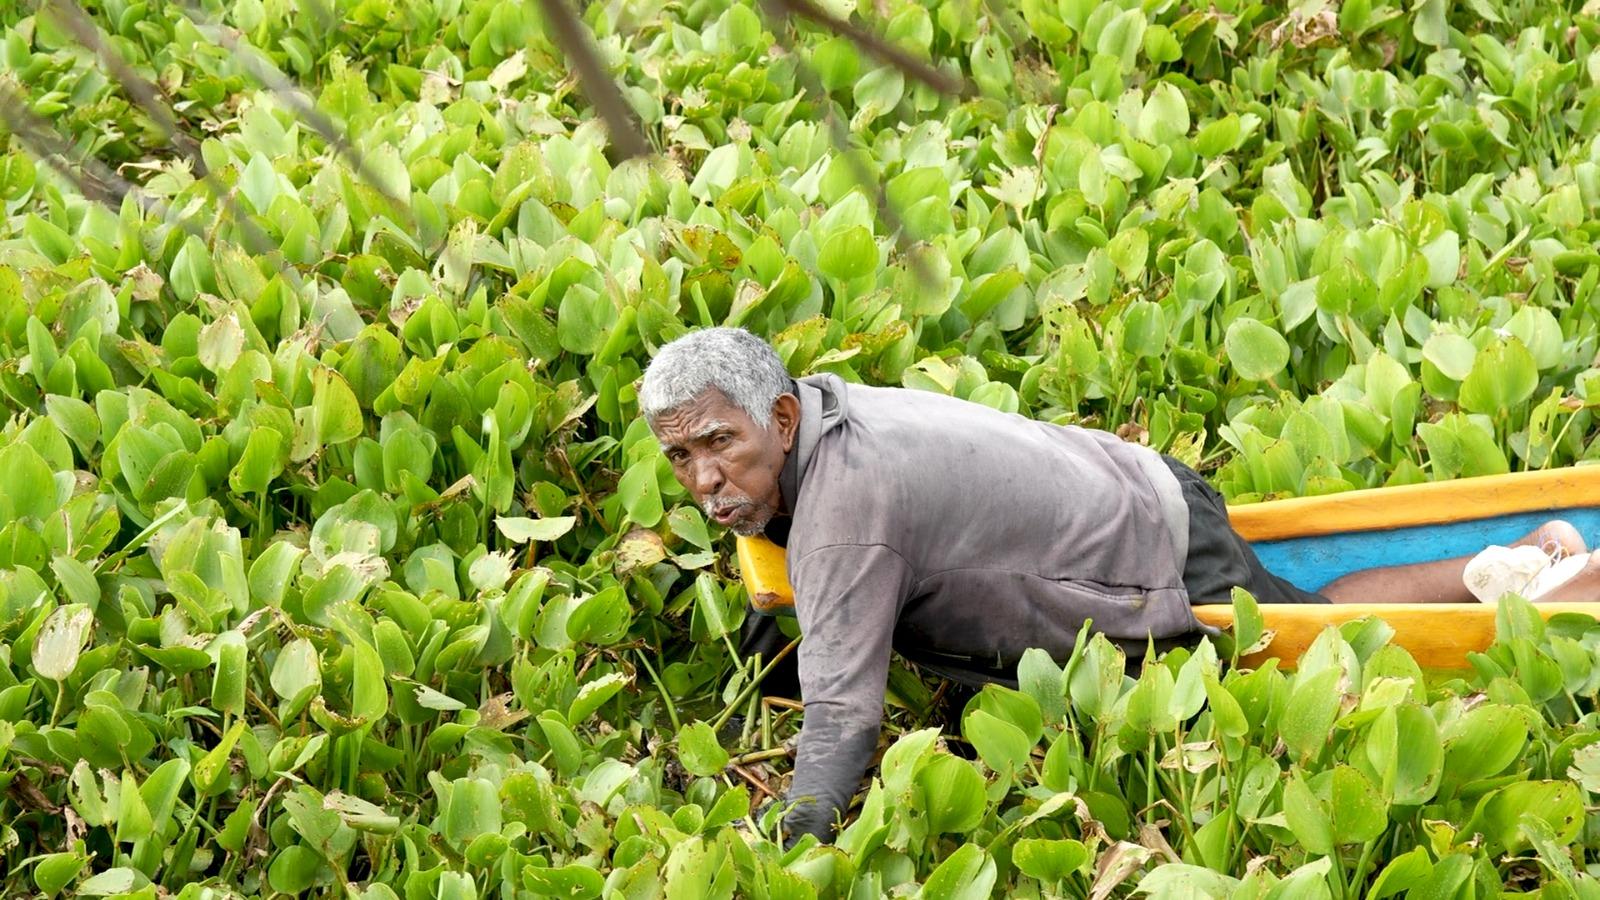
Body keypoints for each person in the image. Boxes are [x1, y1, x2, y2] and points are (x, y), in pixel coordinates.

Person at [636, 326, 1593, 846]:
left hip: (1145, 552)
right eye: (680, 458)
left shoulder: (846, 507)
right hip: (1136, 484)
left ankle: (1538, 585)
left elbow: (842, 723)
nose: (705, 480)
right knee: (1304, 602)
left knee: (1307, 638)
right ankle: (1505, 561)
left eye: (722, 444)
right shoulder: (828, 413)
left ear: (786, 418)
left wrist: (784, 838)